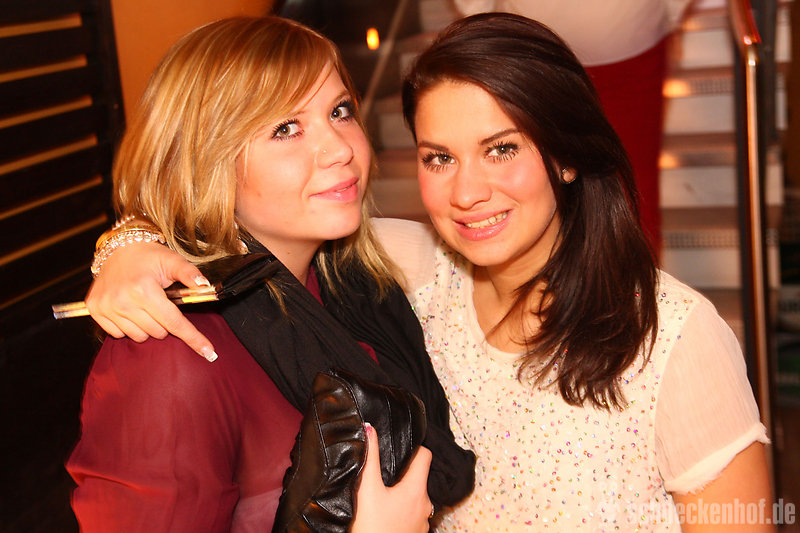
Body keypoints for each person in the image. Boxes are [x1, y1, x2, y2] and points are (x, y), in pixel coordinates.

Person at [82, 13, 773, 531]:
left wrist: (127, 242)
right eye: (439, 157)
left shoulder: (671, 335)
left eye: (501, 148)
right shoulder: (406, 277)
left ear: (566, 155)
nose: (467, 192)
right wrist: (129, 243)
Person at [65, 16, 477, 532]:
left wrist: (125, 238)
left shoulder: (355, 283)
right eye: (286, 128)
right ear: (206, 158)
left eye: (340, 111)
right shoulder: (171, 350)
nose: (341, 148)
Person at [452, 0, 694, 254]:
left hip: (537, 44)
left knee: (534, 186)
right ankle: (633, 275)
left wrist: (483, 23)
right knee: (632, 185)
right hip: (623, 38)